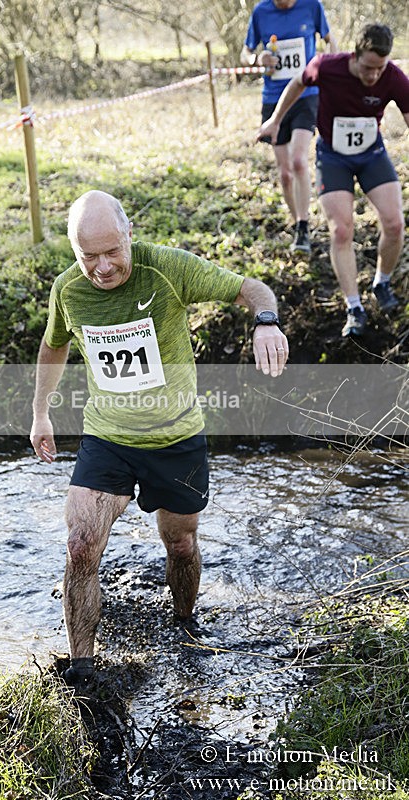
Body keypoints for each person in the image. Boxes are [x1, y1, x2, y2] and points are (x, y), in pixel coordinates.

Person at [30, 190, 288, 685]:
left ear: (129, 235)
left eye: (113, 252)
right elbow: (53, 344)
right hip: (108, 439)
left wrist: (266, 322)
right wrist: (41, 411)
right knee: (81, 545)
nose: (103, 267)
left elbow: (250, 288)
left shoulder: (167, 268)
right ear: (74, 251)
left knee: (182, 544)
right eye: (90, 257)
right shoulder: (68, 291)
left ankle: (186, 625)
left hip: (176, 440)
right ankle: (82, 672)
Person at [258, 23, 409, 338]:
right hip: (333, 156)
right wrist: (275, 120)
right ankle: (354, 306)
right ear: (355, 55)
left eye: (379, 68)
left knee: (395, 225)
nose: (373, 76)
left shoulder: (392, 76)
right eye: (368, 68)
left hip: (372, 154)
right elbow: (297, 84)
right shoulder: (327, 66)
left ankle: (381, 283)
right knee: (341, 230)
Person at [241, 0, 336, 254]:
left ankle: (304, 226)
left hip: (306, 95)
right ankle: (297, 224)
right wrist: (257, 59)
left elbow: (329, 39)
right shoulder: (261, 12)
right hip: (273, 98)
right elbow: (246, 52)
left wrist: (331, 66)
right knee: (284, 174)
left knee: (299, 161)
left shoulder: (311, 6)